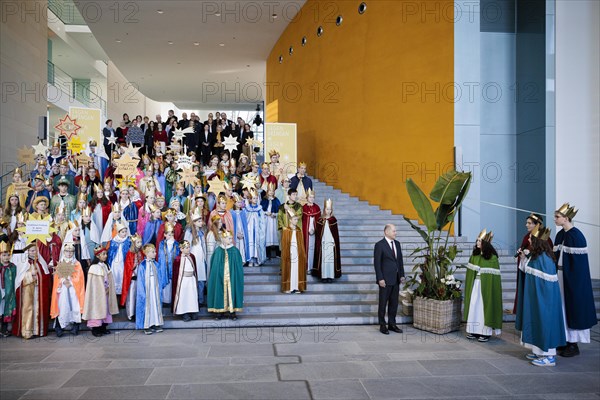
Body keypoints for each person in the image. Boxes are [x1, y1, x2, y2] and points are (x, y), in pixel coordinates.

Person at [515, 225, 566, 366]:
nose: (529, 240)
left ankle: (549, 356)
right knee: (537, 321)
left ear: (537, 241)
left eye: (531, 238)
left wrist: (526, 259)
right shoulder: (537, 256)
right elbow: (529, 271)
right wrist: (524, 257)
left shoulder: (544, 258)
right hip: (536, 297)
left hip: (544, 300)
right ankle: (538, 351)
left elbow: (544, 282)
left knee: (544, 322)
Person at [553, 203, 597, 357]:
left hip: (572, 279)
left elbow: (579, 265)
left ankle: (573, 344)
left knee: (571, 308)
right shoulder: (560, 235)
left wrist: (572, 280)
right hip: (560, 277)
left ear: (566, 218)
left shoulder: (576, 235)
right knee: (562, 309)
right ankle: (563, 340)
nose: (555, 219)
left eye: (557, 217)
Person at [463, 229, 503, 342]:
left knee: (483, 308)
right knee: (474, 306)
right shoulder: (474, 256)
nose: (477, 243)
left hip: (487, 288)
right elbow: (471, 274)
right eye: (477, 240)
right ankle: (473, 330)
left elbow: (494, 279)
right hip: (476, 285)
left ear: (485, 243)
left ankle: (485, 332)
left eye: (479, 241)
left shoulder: (493, 258)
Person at [513, 213, 550, 314]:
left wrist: (529, 255)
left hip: (538, 275)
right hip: (526, 272)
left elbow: (545, 258)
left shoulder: (544, 238)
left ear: (537, 225)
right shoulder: (526, 237)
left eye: (529, 223)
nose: (526, 225)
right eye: (527, 223)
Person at [12, 245, 51, 339]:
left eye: (34, 250)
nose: (32, 252)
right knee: (27, 309)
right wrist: (30, 275)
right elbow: (18, 280)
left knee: (38, 309)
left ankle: (38, 330)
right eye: (30, 251)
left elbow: (46, 278)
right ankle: (27, 331)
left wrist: (38, 277)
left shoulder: (41, 263)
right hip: (26, 291)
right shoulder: (23, 263)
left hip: (38, 291)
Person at [373, 224, 404, 335]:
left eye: (396, 231)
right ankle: (382, 325)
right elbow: (377, 264)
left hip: (396, 279)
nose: (396, 233)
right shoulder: (379, 245)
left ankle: (392, 324)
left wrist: (402, 275)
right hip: (385, 280)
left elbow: (400, 261)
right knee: (383, 303)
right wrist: (380, 278)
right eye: (394, 231)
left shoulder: (397, 244)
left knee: (394, 303)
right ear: (386, 231)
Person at [207, 230, 244, 320]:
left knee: (232, 291)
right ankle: (219, 312)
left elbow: (238, 266)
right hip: (219, 276)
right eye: (229, 238)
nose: (231, 240)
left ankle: (232, 312)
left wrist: (235, 274)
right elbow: (214, 265)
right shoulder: (218, 251)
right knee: (219, 290)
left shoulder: (235, 251)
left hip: (232, 276)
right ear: (223, 239)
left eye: (231, 238)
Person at [50, 242, 85, 337]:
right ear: (63, 252)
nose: (69, 253)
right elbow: (56, 278)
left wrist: (72, 282)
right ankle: (59, 327)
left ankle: (75, 327)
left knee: (75, 306)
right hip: (63, 289)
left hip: (74, 289)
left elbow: (80, 278)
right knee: (61, 306)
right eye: (67, 251)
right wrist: (62, 281)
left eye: (71, 252)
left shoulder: (77, 263)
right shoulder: (60, 263)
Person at [83, 246, 118, 337]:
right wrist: (102, 289)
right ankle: (96, 329)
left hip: (106, 292)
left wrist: (108, 287)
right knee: (97, 309)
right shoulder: (94, 267)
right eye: (103, 254)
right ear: (98, 256)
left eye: (106, 254)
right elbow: (94, 284)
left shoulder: (106, 266)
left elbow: (108, 278)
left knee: (105, 309)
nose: (105, 256)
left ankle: (103, 327)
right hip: (97, 294)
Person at [136, 244, 167, 335]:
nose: (155, 253)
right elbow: (140, 280)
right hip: (147, 290)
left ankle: (156, 323)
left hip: (155, 289)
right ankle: (147, 325)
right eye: (153, 252)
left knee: (155, 305)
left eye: (155, 251)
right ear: (146, 253)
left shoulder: (156, 264)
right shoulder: (142, 265)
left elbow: (160, 277)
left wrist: (160, 288)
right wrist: (142, 293)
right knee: (148, 306)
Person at [311, 199, 341, 283]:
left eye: (330, 209)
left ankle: (330, 276)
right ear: (324, 209)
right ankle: (323, 276)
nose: (328, 211)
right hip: (323, 243)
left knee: (330, 261)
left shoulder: (333, 220)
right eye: (327, 209)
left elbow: (335, 234)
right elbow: (318, 233)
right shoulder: (320, 220)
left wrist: (333, 242)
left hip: (331, 244)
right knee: (324, 260)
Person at [172, 240, 199, 321]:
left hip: (191, 279)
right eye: (186, 248)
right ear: (181, 249)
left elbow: (195, 269)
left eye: (188, 247)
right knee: (184, 296)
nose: (188, 249)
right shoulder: (178, 259)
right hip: (183, 280)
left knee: (192, 296)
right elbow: (176, 273)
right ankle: (184, 313)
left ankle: (193, 311)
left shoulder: (192, 257)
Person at [280, 210, 307, 294]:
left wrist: (301, 253)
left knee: (297, 270)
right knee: (289, 269)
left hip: (298, 253)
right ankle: (289, 287)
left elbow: (301, 243)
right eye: (294, 219)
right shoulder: (286, 230)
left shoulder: (299, 230)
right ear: (290, 220)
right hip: (289, 254)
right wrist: (288, 253)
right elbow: (285, 245)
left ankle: (297, 287)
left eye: (297, 219)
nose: (296, 221)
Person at [121, 234, 144, 321]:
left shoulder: (141, 252)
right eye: (138, 242)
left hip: (140, 278)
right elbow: (128, 267)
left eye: (141, 242)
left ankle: (138, 313)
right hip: (133, 278)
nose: (140, 244)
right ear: (134, 243)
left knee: (139, 296)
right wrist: (133, 268)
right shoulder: (130, 254)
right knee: (131, 296)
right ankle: (131, 314)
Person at [0, 241, 17, 337]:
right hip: (0, 290)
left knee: (5, 310)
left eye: (8, 255)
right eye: (3, 255)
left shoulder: (12, 267)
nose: (6, 257)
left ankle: (4, 329)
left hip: (8, 291)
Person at [302, 189, 320, 273]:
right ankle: (307, 267)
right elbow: (303, 221)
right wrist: (308, 229)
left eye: (313, 197)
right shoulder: (304, 208)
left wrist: (315, 229)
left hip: (314, 233)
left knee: (314, 250)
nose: (312, 199)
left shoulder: (317, 207)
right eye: (310, 197)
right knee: (307, 249)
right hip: (306, 232)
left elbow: (319, 221)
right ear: (307, 198)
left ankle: (314, 267)